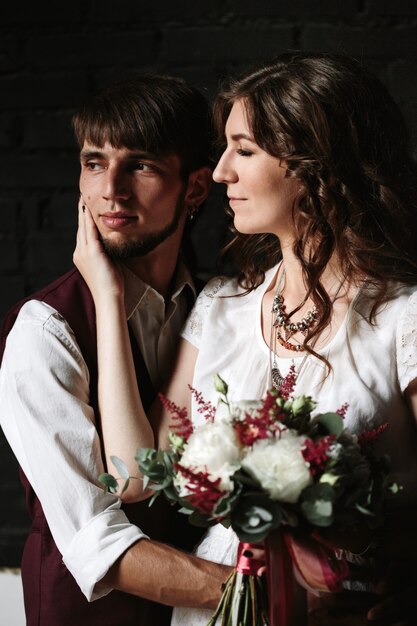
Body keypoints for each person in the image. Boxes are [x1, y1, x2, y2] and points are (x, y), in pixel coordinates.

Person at [73, 52, 417, 626]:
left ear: (317, 166)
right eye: (225, 146)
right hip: (215, 609)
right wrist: (107, 299)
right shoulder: (223, 308)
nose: (221, 170)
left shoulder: (403, 321)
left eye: (245, 150)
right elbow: (134, 476)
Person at [0, 75, 231, 626]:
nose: (111, 190)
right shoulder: (44, 330)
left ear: (195, 188)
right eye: (94, 163)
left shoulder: (223, 311)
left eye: (142, 165)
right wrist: (269, 591)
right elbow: (93, 537)